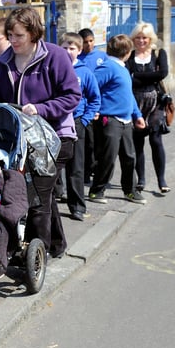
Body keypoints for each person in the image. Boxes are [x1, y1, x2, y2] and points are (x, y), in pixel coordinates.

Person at [0, 7, 81, 260]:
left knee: (36, 196)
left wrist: (40, 109)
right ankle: (57, 243)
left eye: (19, 36)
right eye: (10, 35)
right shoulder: (4, 60)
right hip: (20, 140)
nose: (13, 41)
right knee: (42, 193)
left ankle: (39, 254)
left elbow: (72, 96)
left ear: (33, 33)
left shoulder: (55, 57)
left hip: (55, 138)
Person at [88, 34, 147, 205]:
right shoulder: (109, 67)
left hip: (126, 120)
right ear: (128, 52)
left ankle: (130, 190)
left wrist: (137, 115)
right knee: (108, 157)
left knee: (129, 157)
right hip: (110, 120)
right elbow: (91, 86)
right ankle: (96, 191)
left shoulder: (122, 68)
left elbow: (128, 96)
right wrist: (95, 108)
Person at [125, 21, 171, 194]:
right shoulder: (129, 55)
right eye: (138, 38)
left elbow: (162, 73)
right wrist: (148, 77)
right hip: (134, 103)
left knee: (155, 139)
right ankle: (141, 180)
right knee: (137, 143)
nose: (141, 41)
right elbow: (128, 79)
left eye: (144, 38)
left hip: (155, 103)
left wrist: (137, 75)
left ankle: (161, 180)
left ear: (150, 38)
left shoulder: (159, 53)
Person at [60, 32, 101, 221]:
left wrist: (85, 120)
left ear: (79, 50)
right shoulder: (54, 69)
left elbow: (94, 99)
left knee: (76, 167)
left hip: (76, 122)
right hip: (55, 122)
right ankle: (55, 198)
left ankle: (77, 206)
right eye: (64, 47)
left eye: (72, 48)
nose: (68, 51)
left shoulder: (84, 72)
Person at [78, 28, 108, 184]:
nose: (88, 44)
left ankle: (97, 169)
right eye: (85, 42)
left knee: (100, 141)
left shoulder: (102, 57)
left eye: (91, 41)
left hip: (101, 106)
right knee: (88, 142)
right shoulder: (77, 58)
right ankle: (86, 170)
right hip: (86, 109)